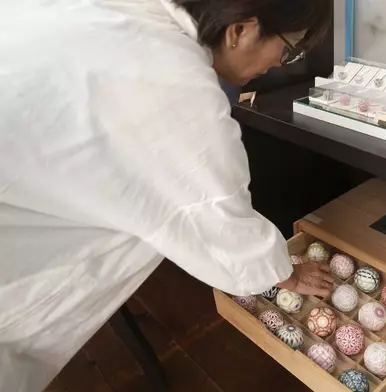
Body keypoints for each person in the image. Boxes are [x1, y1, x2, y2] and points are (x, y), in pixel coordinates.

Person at [0, 0, 333, 390]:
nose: (281, 62)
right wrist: (287, 276)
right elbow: (221, 221)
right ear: (241, 30)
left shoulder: (124, 16)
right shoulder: (176, 84)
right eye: (290, 48)